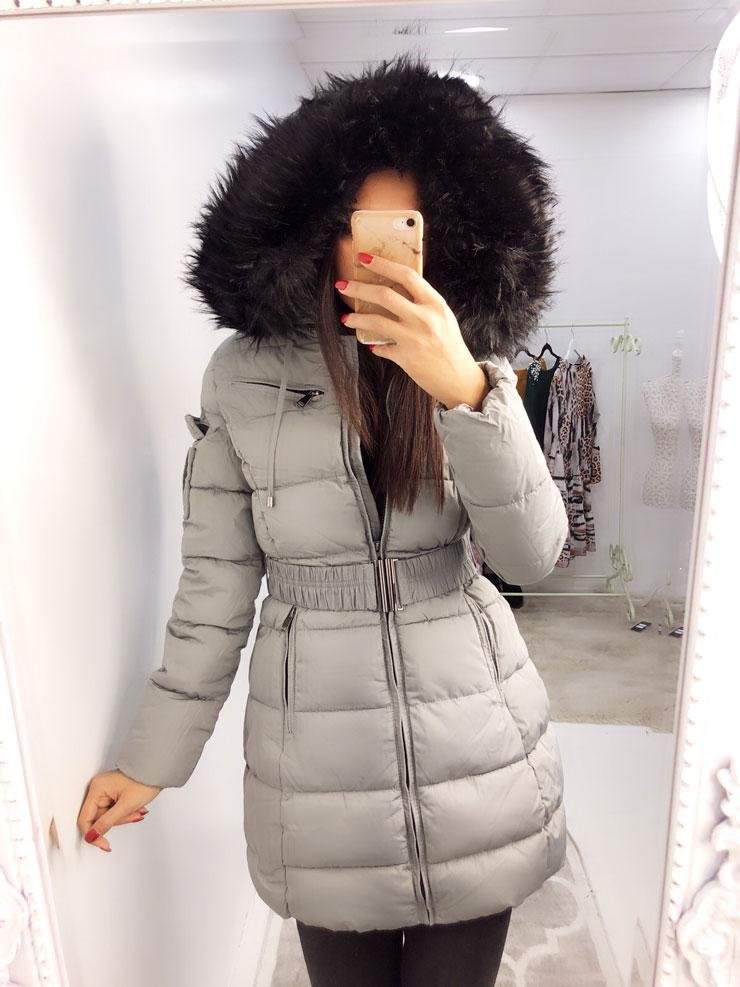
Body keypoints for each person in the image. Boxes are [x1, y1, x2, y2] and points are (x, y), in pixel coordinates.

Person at [78, 54, 569, 986]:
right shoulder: (241, 376)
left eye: (404, 228)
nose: (375, 253)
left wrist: (463, 390)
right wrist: (152, 760)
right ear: (313, 230)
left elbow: (532, 554)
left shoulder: (475, 366)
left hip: (477, 751)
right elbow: (213, 591)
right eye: (356, 227)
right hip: (315, 773)